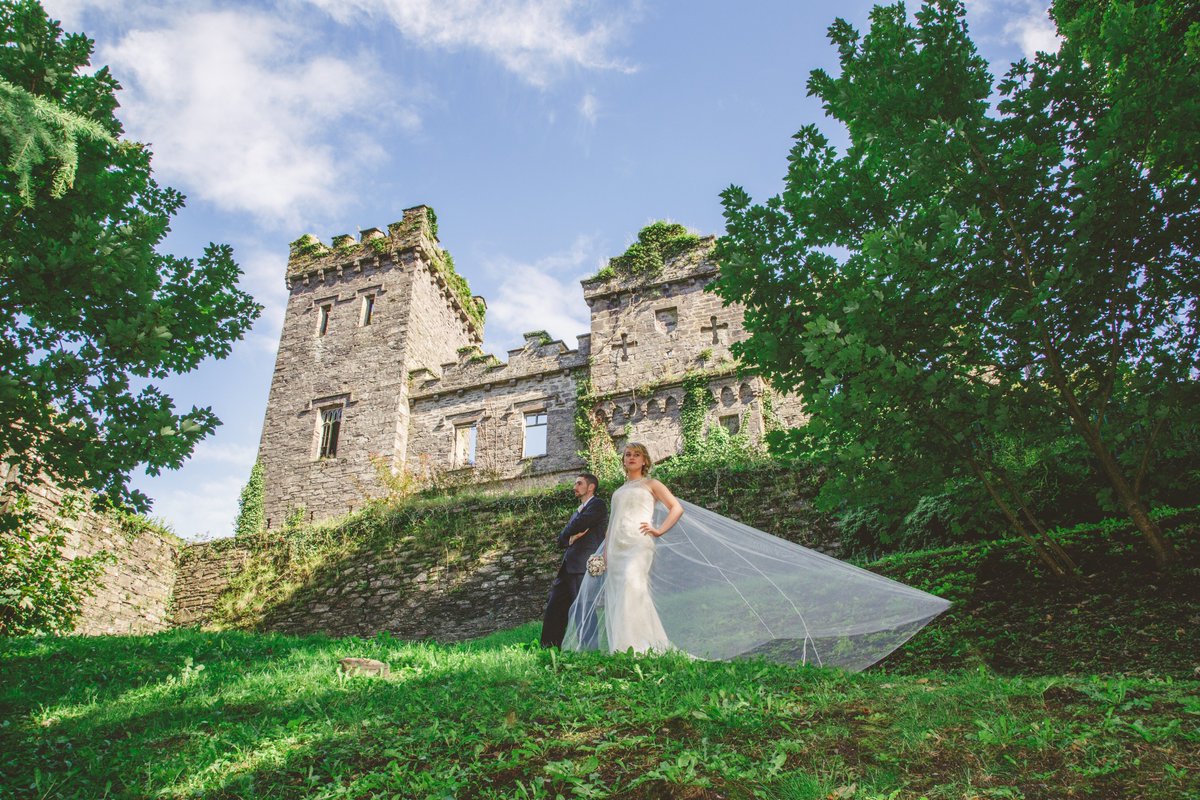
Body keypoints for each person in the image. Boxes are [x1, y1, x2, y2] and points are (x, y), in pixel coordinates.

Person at [562, 443, 952, 671]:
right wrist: (606, 552)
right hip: (618, 546)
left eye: (634, 454)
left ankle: (640, 651)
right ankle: (625, 650)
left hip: (643, 544)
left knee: (634, 591)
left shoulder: (652, 483)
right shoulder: (614, 491)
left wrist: (660, 530)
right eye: (625, 454)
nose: (628, 458)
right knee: (619, 594)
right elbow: (613, 524)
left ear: (645, 461)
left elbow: (676, 509)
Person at [540, 473, 607, 648]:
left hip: (583, 566)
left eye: (579, 483)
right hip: (567, 567)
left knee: (584, 608)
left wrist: (568, 533)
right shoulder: (577, 511)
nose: (574, 487)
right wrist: (569, 538)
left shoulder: (597, 505)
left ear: (591, 487)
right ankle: (549, 648)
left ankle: (589, 650)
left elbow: (579, 524)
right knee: (554, 608)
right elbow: (561, 540)